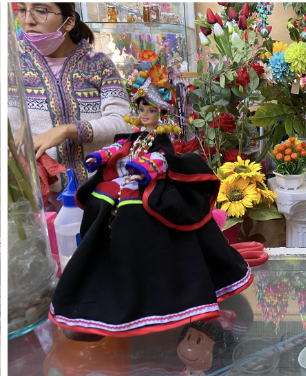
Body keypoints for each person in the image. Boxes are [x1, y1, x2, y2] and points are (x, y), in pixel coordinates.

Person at [48, 76, 251, 337]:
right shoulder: (135, 138)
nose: (145, 115)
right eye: (141, 110)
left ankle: (157, 288)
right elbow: (118, 147)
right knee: (100, 204)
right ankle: (105, 278)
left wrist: (143, 168)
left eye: (151, 110)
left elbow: (162, 159)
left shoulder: (158, 141)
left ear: (161, 114)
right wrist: (101, 156)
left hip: (151, 188)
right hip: (124, 186)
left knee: (140, 218)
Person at [10, 2, 131, 186]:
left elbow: (124, 123)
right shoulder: (12, 66)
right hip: (39, 197)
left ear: (68, 22)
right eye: (22, 10)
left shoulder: (99, 64)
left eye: (40, 11)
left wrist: (67, 130)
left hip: (98, 192)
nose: (28, 21)